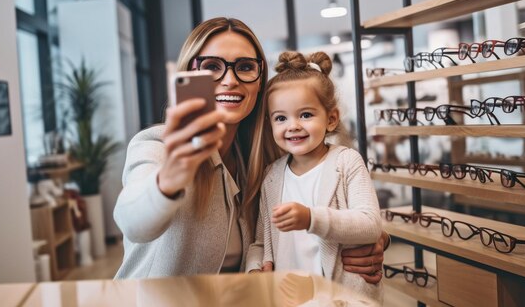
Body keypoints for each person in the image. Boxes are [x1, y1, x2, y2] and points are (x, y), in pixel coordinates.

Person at [113, 17, 388, 279]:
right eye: (211, 66)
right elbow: (132, 220)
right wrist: (169, 179)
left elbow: (323, 206)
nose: (230, 80)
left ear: (260, 82)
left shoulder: (267, 162)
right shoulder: (158, 145)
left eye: (245, 67)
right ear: (190, 73)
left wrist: (376, 241)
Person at [246, 51, 383, 303]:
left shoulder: (346, 162)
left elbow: (370, 224)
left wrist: (310, 218)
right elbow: (260, 242)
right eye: (281, 118)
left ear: (331, 119)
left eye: (306, 115)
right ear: (270, 124)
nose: (293, 125)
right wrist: (255, 268)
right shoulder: (272, 176)